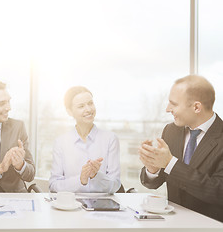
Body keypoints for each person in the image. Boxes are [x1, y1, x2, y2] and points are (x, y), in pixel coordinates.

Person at [139, 75, 223, 222]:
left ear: (196, 107)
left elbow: (218, 192)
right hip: (173, 225)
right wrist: (153, 169)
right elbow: (154, 183)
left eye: (174, 104)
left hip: (209, 228)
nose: (167, 109)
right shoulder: (171, 130)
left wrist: (170, 163)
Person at [49, 86, 121, 193]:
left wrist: (96, 176)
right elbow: (54, 185)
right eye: (81, 106)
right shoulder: (61, 142)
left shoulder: (110, 139)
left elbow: (115, 185)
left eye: (90, 103)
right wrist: (80, 180)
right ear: (69, 112)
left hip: (102, 207)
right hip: (71, 206)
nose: (88, 109)